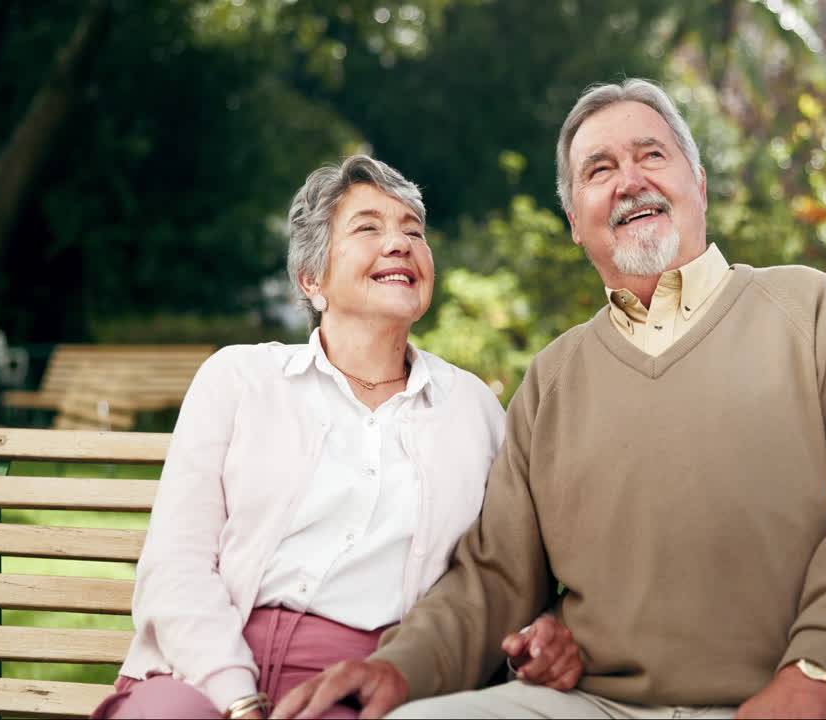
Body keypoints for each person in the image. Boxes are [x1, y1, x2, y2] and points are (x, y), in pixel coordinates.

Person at [273, 80, 826, 720]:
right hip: (599, 705)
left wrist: (816, 673)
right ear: (573, 223)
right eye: (599, 169)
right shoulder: (553, 379)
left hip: (802, 702)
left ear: (698, 185)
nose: (630, 180)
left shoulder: (805, 311)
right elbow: (496, 578)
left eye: (652, 154)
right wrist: (401, 667)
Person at [90, 154, 582, 720]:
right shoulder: (238, 378)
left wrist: (542, 630)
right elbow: (175, 566)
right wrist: (237, 695)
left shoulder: (470, 407)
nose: (400, 244)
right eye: (369, 227)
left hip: (357, 682)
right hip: (199, 668)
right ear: (312, 278)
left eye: (413, 232)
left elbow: (508, 562)